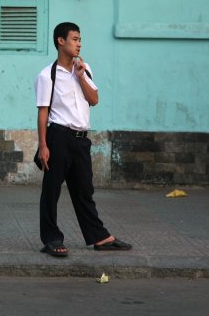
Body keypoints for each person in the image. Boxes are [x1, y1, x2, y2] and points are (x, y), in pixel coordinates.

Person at [34, 22, 132, 257]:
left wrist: (80, 78)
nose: (79, 44)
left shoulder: (84, 69)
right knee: (51, 191)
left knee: (84, 190)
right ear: (61, 41)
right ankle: (52, 239)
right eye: (74, 39)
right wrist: (43, 145)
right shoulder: (47, 75)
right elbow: (43, 112)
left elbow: (94, 99)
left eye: (80, 40)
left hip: (81, 139)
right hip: (58, 137)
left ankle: (98, 237)